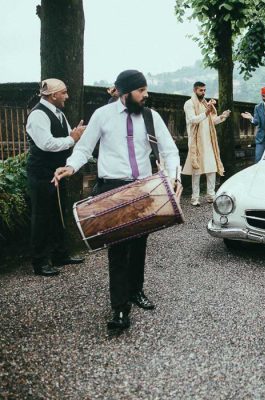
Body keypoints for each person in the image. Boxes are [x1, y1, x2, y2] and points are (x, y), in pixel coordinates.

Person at [52, 70, 182, 331]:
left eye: (146, 90)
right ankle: (120, 310)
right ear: (125, 93)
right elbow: (84, 148)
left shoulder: (151, 116)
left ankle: (135, 290)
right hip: (112, 188)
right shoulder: (102, 115)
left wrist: (174, 177)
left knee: (139, 245)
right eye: (141, 91)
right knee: (118, 250)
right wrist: (71, 167)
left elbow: (169, 150)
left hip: (144, 188)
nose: (146, 95)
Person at [25, 78, 86, 277]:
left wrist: (75, 134)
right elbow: (47, 144)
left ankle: (60, 254)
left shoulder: (58, 113)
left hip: (56, 170)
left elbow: (68, 135)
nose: (67, 97)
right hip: (41, 172)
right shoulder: (38, 116)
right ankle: (40, 262)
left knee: (58, 212)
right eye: (64, 93)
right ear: (53, 95)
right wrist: (72, 139)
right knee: (41, 216)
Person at [182, 81, 230, 205]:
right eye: (200, 90)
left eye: (204, 90)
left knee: (211, 169)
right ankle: (195, 198)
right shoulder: (189, 104)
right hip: (196, 142)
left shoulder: (205, 104)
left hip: (208, 141)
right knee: (196, 171)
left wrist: (222, 117)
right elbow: (193, 120)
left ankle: (211, 196)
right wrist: (206, 112)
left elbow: (211, 121)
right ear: (194, 90)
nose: (203, 93)